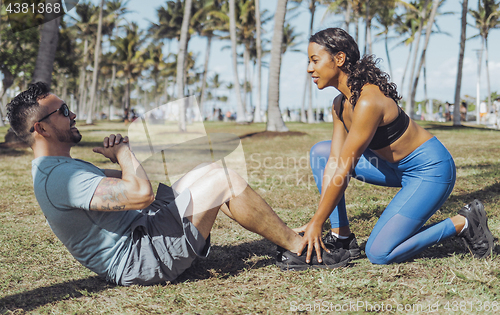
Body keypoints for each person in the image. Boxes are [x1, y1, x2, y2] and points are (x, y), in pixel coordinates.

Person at [7, 83, 350, 285]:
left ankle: (292, 241)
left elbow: (140, 184)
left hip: (145, 235)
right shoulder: (60, 177)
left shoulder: (60, 168)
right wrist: (125, 155)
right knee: (222, 179)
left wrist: (132, 149)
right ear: (41, 128)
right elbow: (140, 194)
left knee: (203, 170)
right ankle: (299, 249)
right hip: (142, 258)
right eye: (64, 111)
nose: (73, 115)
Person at [293, 28, 494, 265]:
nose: (309, 68)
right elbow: (335, 161)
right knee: (321, 153)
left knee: (379, 253)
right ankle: (342, 237)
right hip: (391, 166)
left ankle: (465, 222)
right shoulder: (339, 104)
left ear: (339, 59)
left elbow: (344, 170)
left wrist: (317, 222)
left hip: (430, 171)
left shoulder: (368, 101)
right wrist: (318, 219)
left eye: (314, 60)